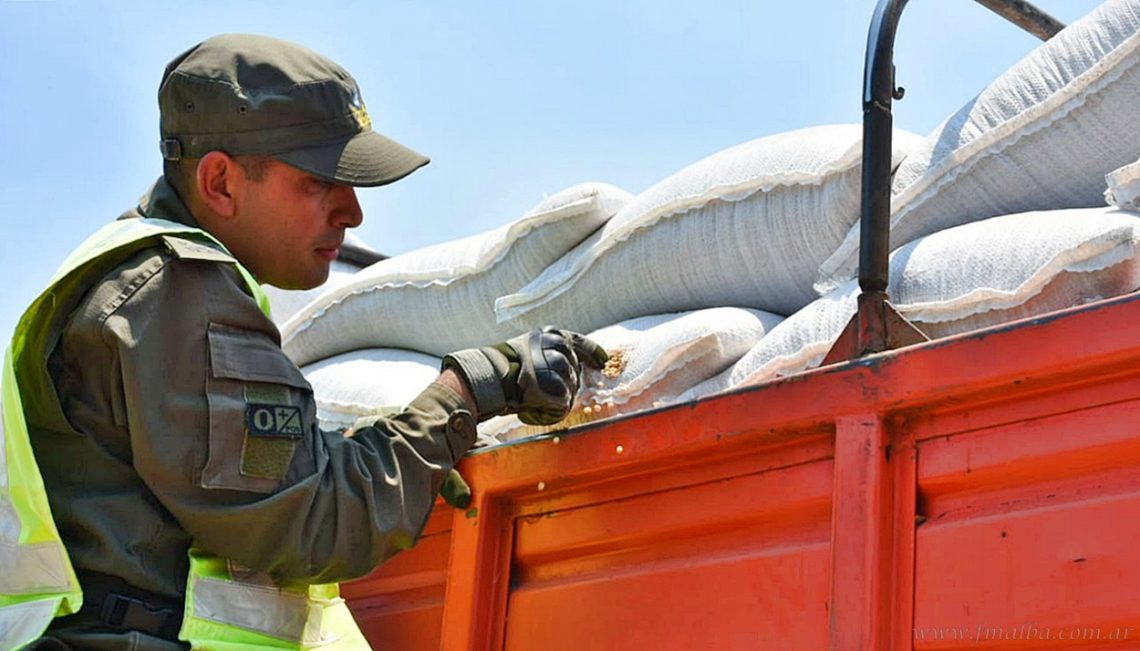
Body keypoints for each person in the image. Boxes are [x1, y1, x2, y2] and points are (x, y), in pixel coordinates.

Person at [0, 34, 606, 651]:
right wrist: (470, 390)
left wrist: (404, 452)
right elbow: (309, 523)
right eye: (322, 179)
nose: (352, 212)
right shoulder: (179, 292)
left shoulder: (142, 284)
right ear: (221, 183)